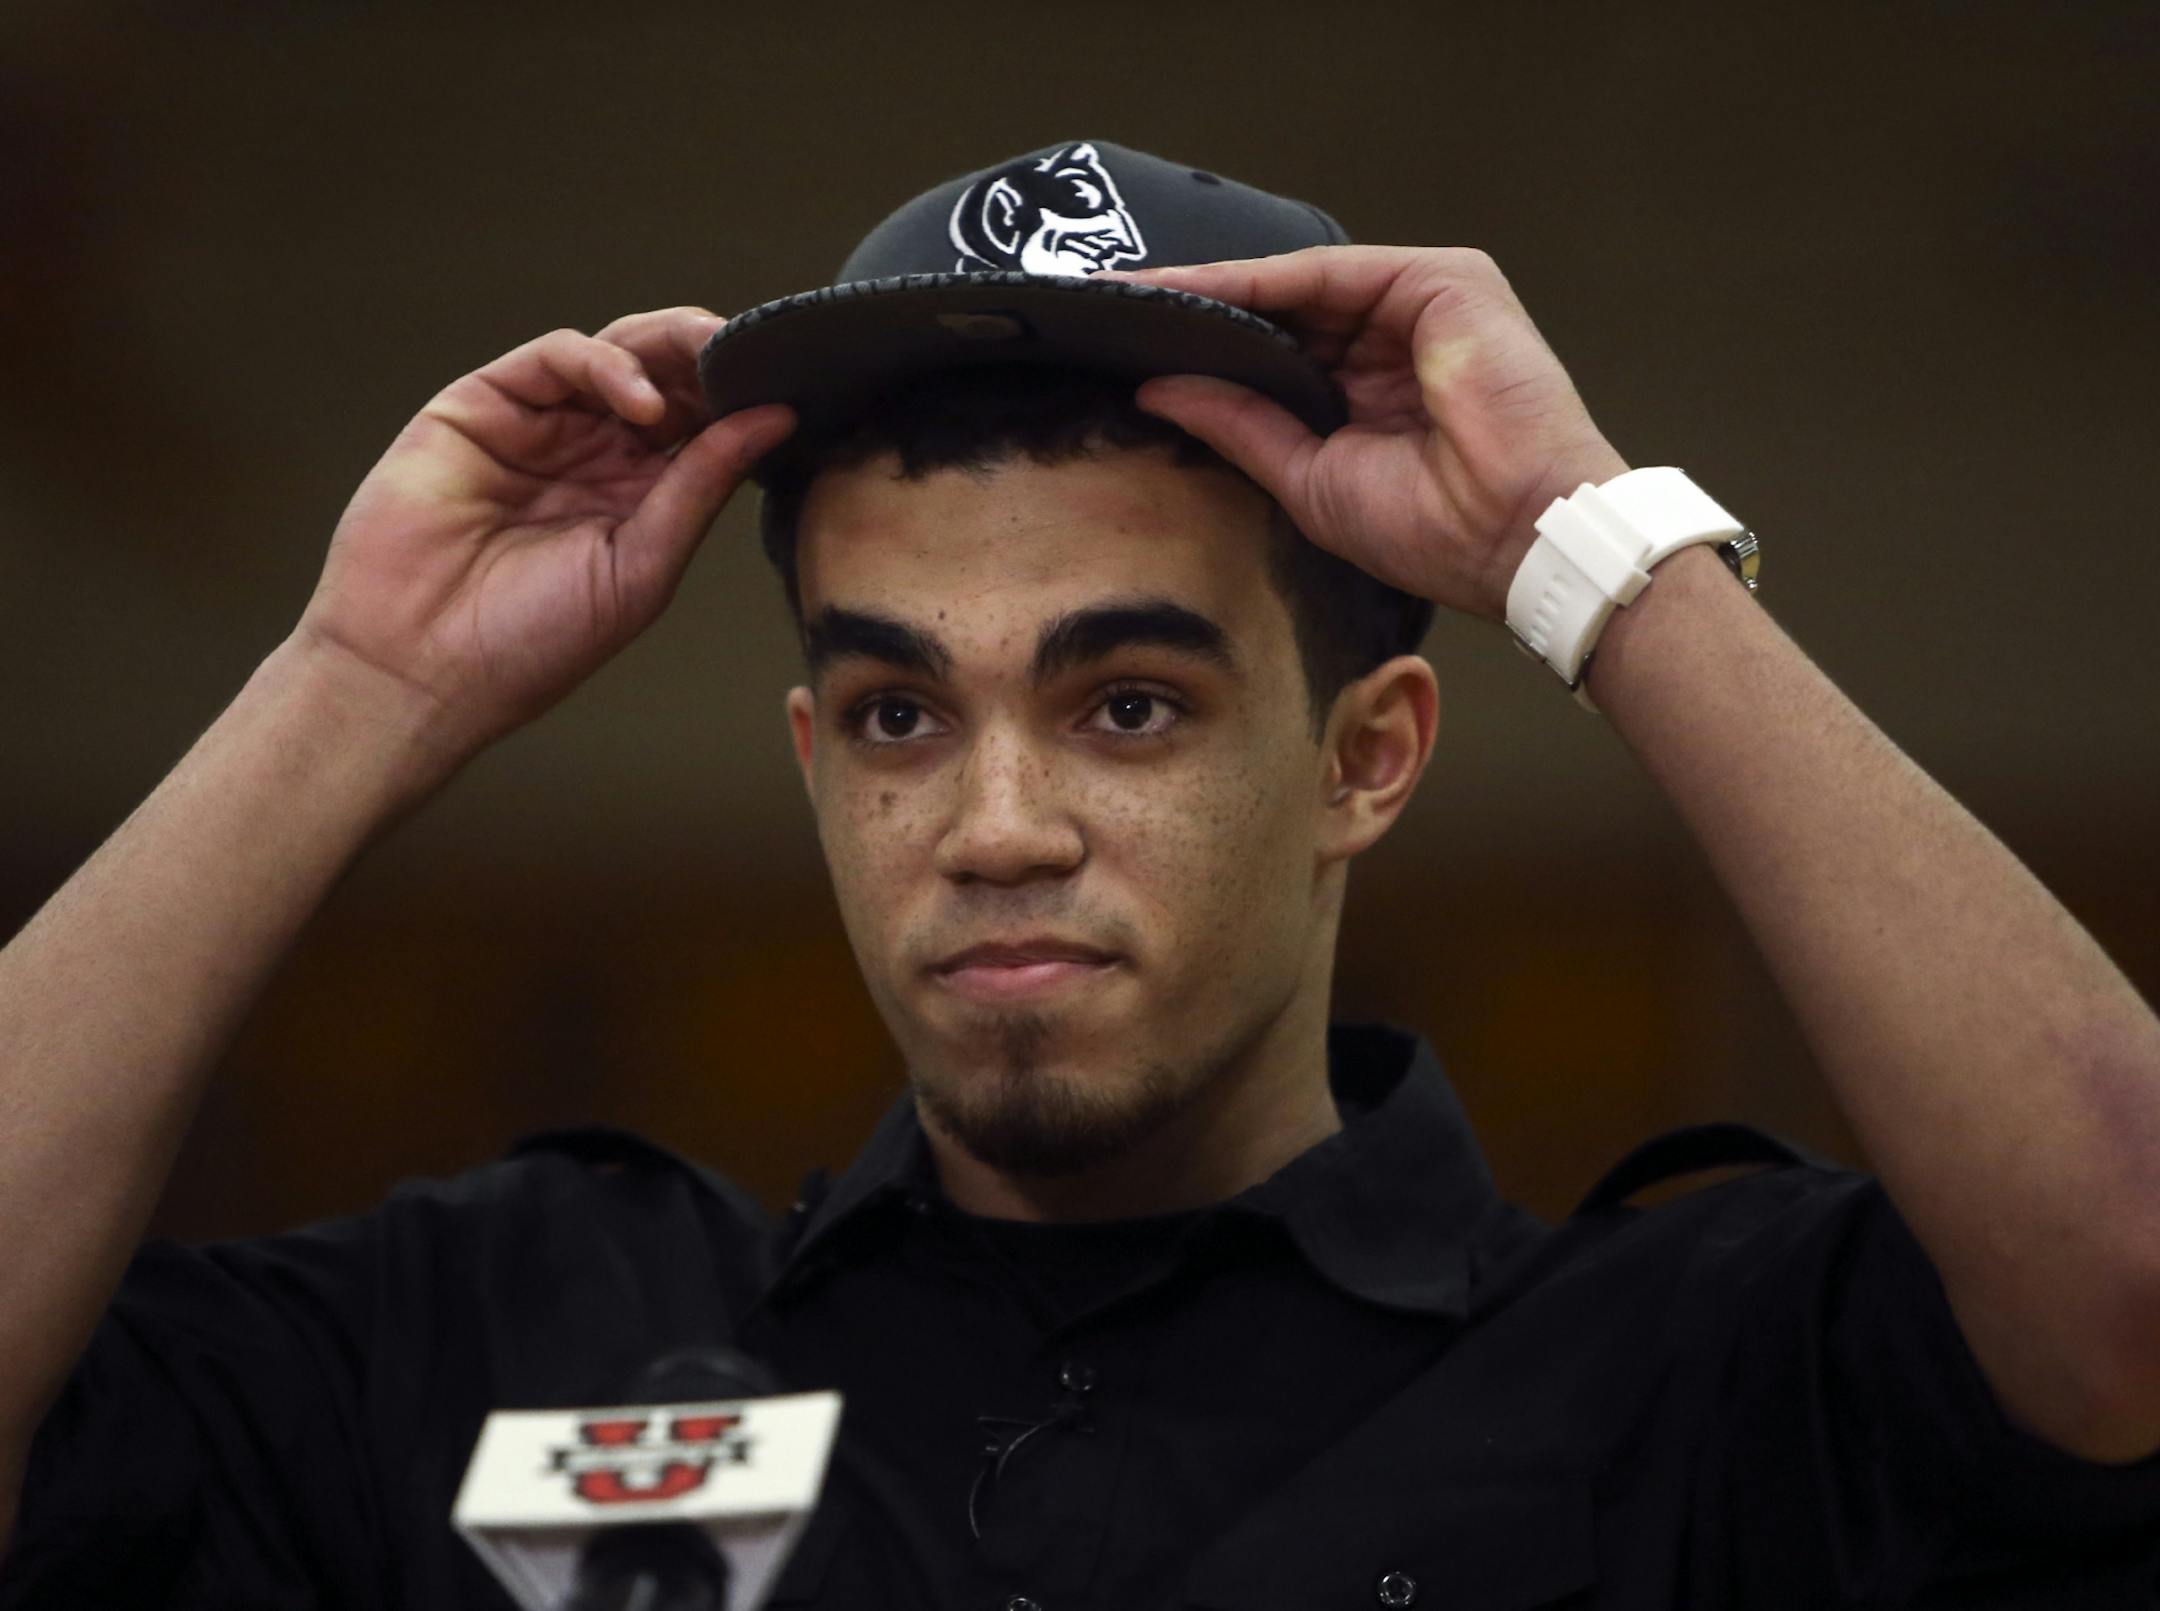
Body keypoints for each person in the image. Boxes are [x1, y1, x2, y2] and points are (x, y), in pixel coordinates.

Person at [3, 136, 2158, 1608]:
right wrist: (355, 677)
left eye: (1125, 701)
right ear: (813, 757)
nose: (996, 823)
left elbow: (2130, 1274)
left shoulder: (1704, 1366)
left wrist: (1591, 556)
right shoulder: (504, 1337)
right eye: (895, 710)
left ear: (1367, 758)